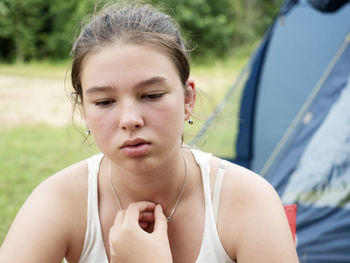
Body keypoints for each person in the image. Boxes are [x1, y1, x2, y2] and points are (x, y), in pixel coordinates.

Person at [0, 2, 299, 263]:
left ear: (187, 99)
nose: (130, 120)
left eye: (152, 95)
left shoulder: (247, 201)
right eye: (104, 102)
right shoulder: (61, 201)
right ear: (83, 111)